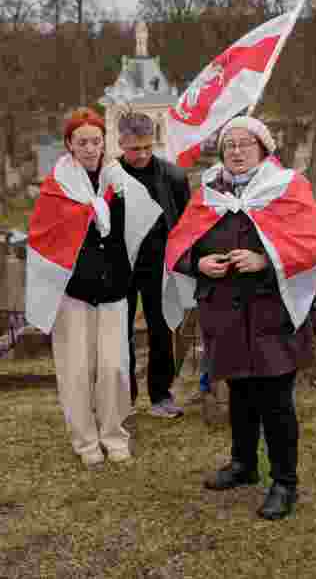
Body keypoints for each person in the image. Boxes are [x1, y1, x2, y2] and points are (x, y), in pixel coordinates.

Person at [164, 115, 316, 520]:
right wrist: (198, 262)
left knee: (276, 401)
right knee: (239, 393)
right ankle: (243, 463)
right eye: (230, 145)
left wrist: (264, 259)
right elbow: (181, 243)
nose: (237, 151)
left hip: (273, 313)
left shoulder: (289, 188)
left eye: (245, 143)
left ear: (263, 148)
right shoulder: (209, 191)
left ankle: (284, 482)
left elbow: (314, 245)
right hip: (225, 311)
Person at [25, 108, 161, 467]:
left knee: (115, 367)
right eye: (82, 142)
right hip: (74, 292)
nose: (90, 148)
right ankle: (85, 441)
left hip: (115, 288)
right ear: (69, 144)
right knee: (76, 369)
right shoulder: (56, 187)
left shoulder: (119, 181)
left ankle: (114, 435)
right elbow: (42, 239)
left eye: (96, 141)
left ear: (105, 143)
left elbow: (140, 225)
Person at [117, 111, 191, 417]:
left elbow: (186, 222)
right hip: (120, 265)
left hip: (160, 265)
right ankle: (124, 397)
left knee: (162, 330)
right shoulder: (110, 176)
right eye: (135, 149)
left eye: (148, 147)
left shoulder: (173, 176)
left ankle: (161, 395)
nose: (143, 154)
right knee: (120, 332)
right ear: (121, 143)